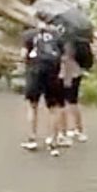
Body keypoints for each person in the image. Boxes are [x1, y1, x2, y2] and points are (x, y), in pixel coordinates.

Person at [20, 16, 66, 156]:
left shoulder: (28, 34)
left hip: (35, 71)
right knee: (54, 107)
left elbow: (22, 55)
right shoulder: (57, 35)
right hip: (53, 72)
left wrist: (25, 64)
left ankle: (32, 139)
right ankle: (53, 141)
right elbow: (63, 57)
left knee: (32, 105)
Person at [60, 42, 88, 142]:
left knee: (62, 104)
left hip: (65, 74)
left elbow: (65, 59)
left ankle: (63, 132)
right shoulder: (75, 40)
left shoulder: (63, 41)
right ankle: (79, 130)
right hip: (76, 72)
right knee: (73, 103)